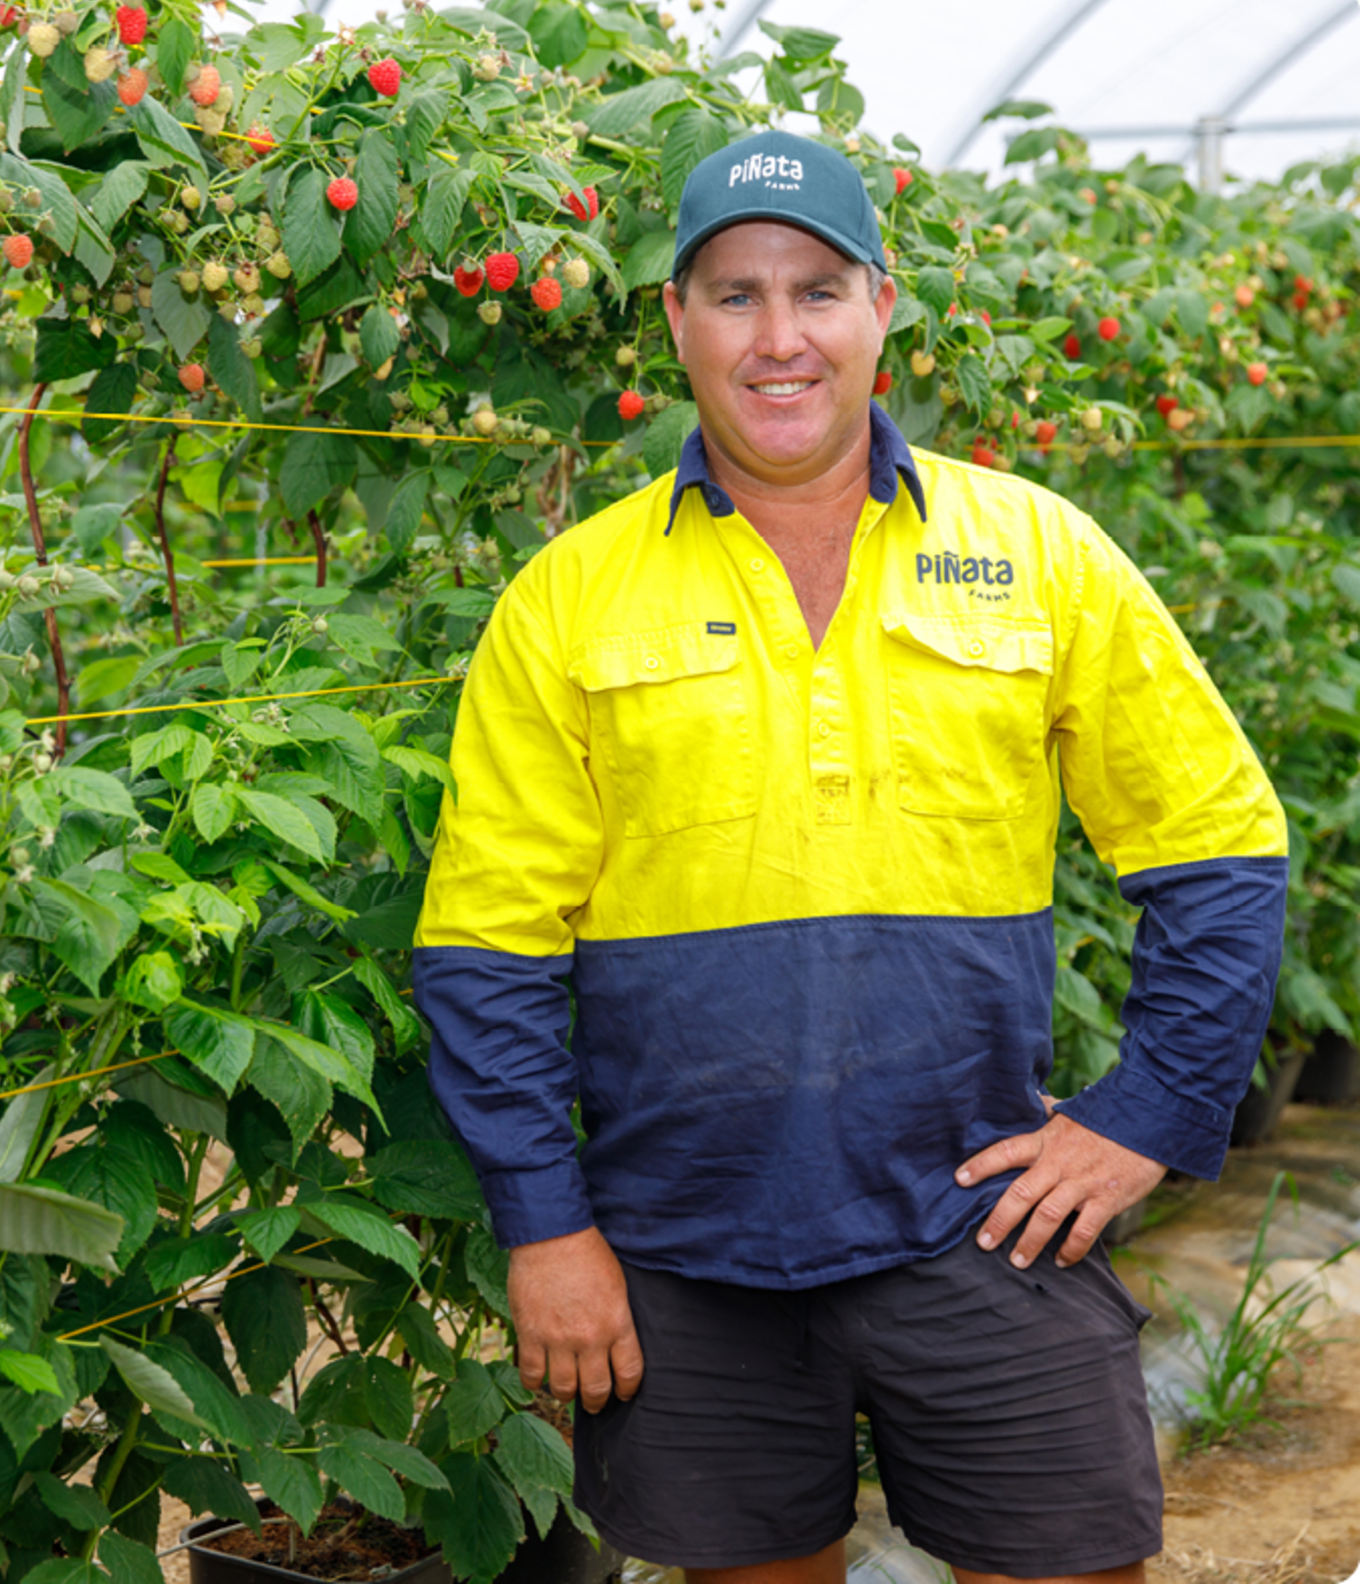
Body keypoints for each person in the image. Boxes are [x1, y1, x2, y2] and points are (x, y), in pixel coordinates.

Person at [412, 130, 1287, 1584]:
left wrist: (1153, 1112)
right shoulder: (570, 596)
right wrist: (544, 1225)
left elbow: (1219, 848)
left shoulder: (1039, 553)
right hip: (682, 1247)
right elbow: (486, 942)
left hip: (989, 1220)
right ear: (678, 323)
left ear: (884, 306)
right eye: (735, 294)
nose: (779, 337)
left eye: (816, 291)